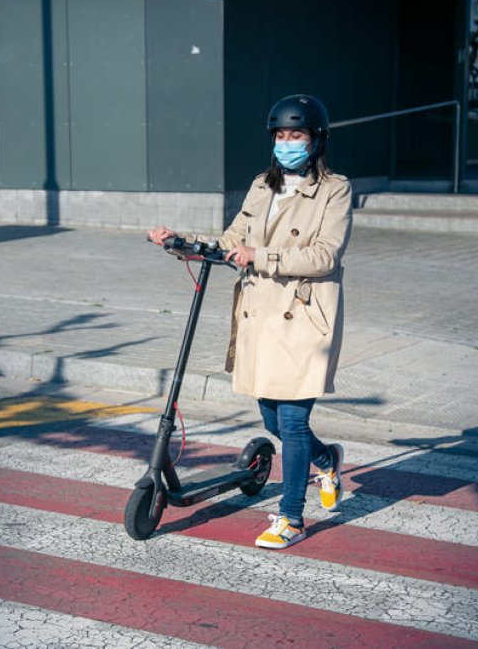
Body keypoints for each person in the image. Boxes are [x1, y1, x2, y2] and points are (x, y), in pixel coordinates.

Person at [147, 94, 352, 549]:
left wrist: (261, 256)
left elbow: (324, 255)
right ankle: (327, 460)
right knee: (274, 423)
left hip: (302, 317)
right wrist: (181, 242)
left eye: (296, 135)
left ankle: (291, 518)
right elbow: (232, 240)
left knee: (294, 424)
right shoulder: (263, 185)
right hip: (260, 316)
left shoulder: (335, 189)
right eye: (280, 135)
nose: (287, 143)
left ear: (316, 139)